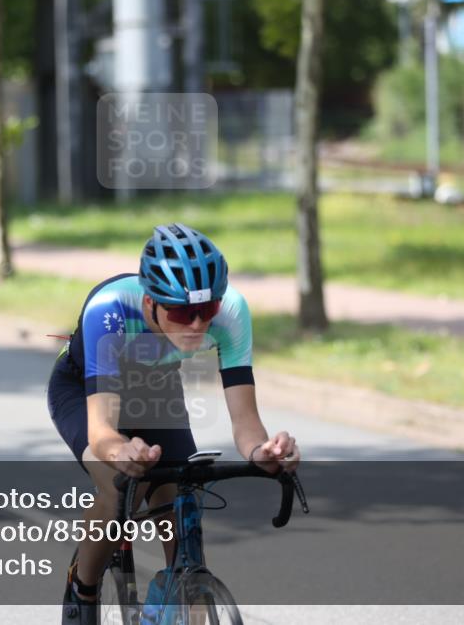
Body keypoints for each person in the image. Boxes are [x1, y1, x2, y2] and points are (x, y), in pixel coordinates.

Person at [48, 223, 301, 624]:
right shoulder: (110, 310)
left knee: (182, 505)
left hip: (155, 389)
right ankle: (83, 589)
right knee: (119, 492)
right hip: (84, 390)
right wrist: (121, 449)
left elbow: (247, 422)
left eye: (207, 311)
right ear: (151, 302)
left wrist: (262, 451)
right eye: (182, 313)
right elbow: (101, 432)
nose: (198, 325)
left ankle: (184, 599)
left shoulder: (232, 312)